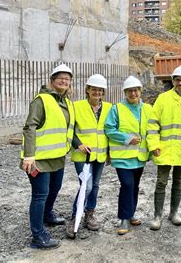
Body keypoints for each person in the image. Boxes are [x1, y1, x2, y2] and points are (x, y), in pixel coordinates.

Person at [21, 64, 75, 249]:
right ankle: (37, 235)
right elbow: (30, 127)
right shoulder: (41, 100)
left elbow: (68, 129)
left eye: (67, 79)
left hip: (57, 157)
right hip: (38, 159)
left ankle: (46, 215)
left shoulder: (67, 102)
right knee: (40, 195)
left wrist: (78, 145)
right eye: (60, 77)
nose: (63, 81)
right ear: (52, 81)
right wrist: (29, 156)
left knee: (54, 189)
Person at [147, 65, 181, 230]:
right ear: (173, 81)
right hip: (164, 149)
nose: (180, 83)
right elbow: (153, 124)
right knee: (161, 182)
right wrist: (153, 144)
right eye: (177, 80)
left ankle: (174, 213)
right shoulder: (162, 99)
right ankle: (157, 216)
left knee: (178, 181)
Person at [104, 76, 153, 235]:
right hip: (123, 157)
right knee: (127, 184)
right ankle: (124, 218)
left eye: (136, 90)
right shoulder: (116, 109)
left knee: (135, 186)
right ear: (125, 92)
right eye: (130, 91)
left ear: (140, 91)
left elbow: (152, 130)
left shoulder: (147, 108)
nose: (133, 93)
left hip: (140, 157)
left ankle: (131, 214)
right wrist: (127, 139)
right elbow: (109, 129)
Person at [66, 74, 112, 238]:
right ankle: (74, 217)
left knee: (96, 185)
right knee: (87, 185)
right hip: (82, 154)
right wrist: (78, 144)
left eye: (100, 90)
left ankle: (89, 214)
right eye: (94, 89)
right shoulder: (76, 106)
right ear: (88, 90)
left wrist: (109, 152)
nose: (97, 92)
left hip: (100, 154)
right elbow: (69, 130)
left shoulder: (108, 107)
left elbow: (109, 131)